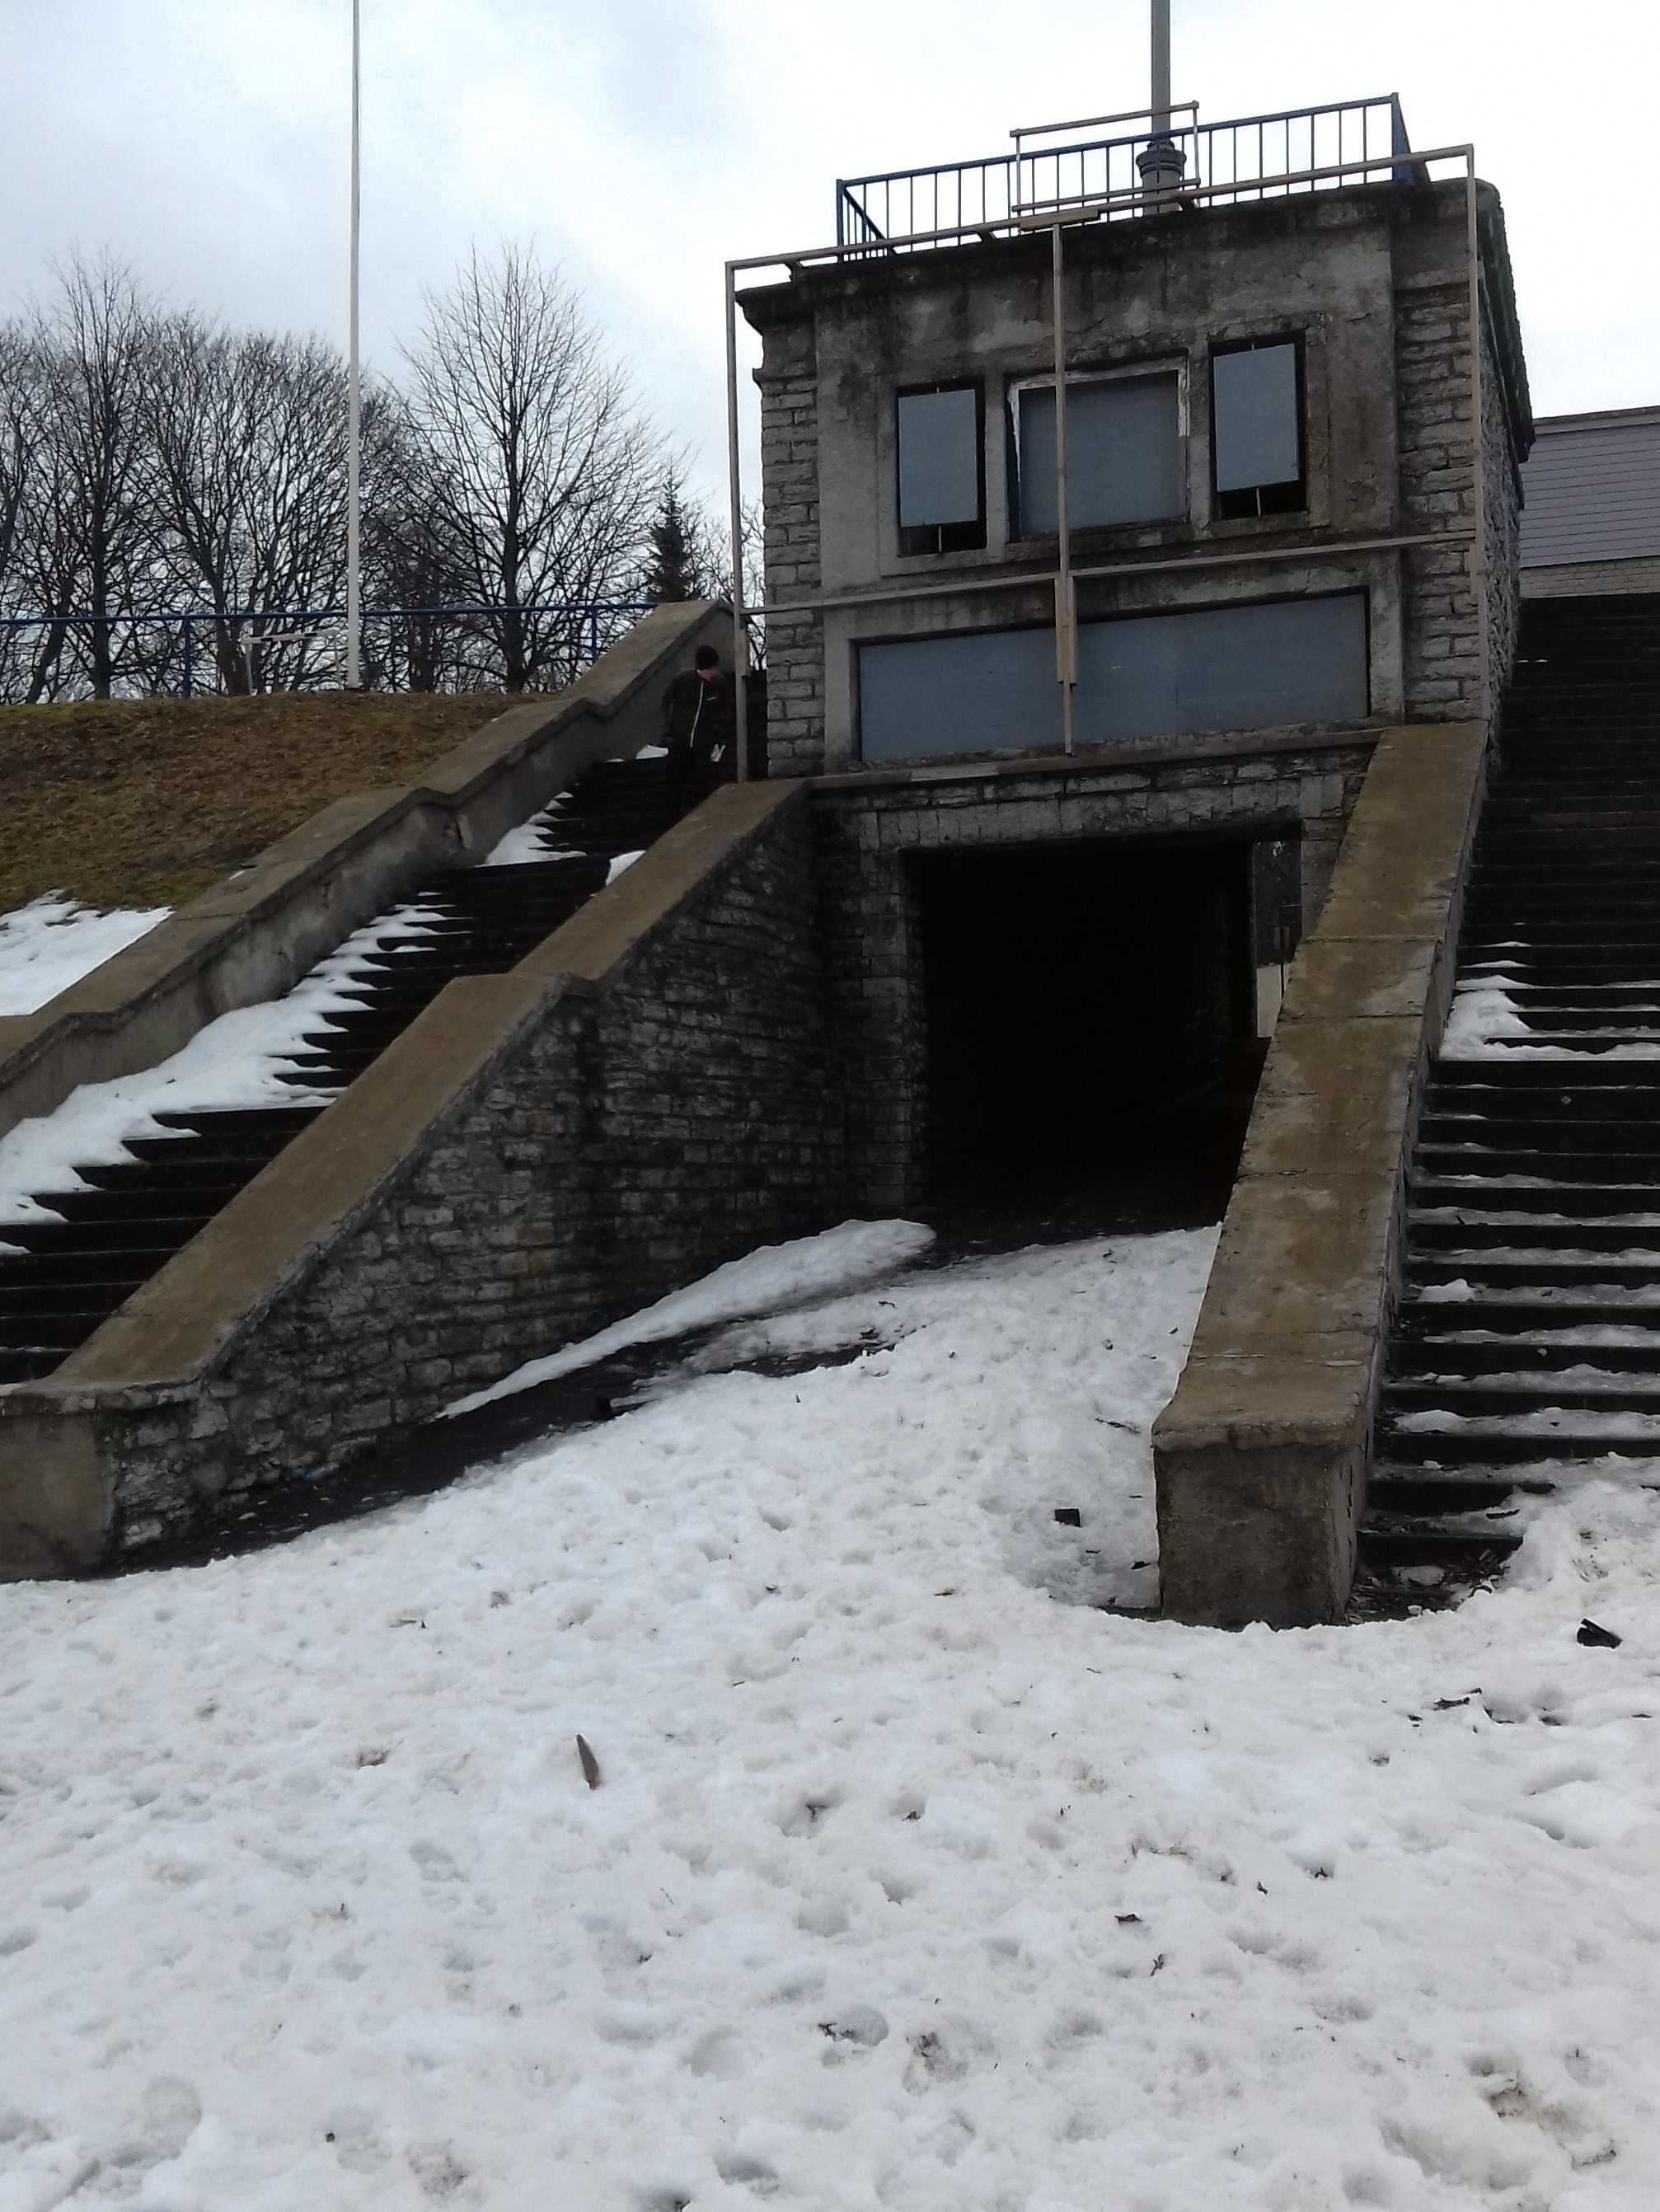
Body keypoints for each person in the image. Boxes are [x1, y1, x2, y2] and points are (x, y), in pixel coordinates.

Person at [660, 646, 735, 818]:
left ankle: (699, 818)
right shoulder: (682, 680)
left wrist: (722, 734)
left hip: (704, 742)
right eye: (710, 669)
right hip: (680, 742)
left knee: (701, 785)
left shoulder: (719, 683)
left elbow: (725, 710)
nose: (713, 673)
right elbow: (665, 703)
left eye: (715, 669)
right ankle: (671, 819)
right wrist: (668, 730)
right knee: (675, 785)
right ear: (701, 668)